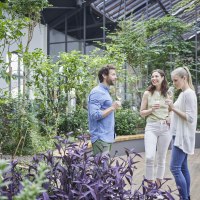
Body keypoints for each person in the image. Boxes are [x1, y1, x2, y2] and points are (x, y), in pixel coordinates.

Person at [166, 67, 197, 200]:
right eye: (173, 81)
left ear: (184, 78)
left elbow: (190, 118)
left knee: (174, 168)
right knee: (183, 168)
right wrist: (170, 114)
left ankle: (184, 198)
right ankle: (187, 197)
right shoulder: (183, 93)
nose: (174, 83)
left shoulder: (189, 94)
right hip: (177, 134)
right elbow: (176, 112)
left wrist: (173, 108)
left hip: (182, 136)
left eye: (176, 80)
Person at [140, 69, 172, 187]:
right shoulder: (147, 93)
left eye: (156, 76)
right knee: (149, 157)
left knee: (161, 158)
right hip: (151, 127)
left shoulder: (168, 93)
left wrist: (169, 117)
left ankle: (157, 187)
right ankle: (149, 187)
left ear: (162, 77)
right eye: (152, 76)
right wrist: (151, 109)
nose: (154, 78)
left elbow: (171, 110)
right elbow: (142, 113)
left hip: (165, 128)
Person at [88, 64, 121, 156]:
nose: (116, 77)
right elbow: (94, 115)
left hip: (107, 137)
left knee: (104, 169)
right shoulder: (97, 92)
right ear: (104, 75)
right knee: (101, 169)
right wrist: (112, 107)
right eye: (113, 74)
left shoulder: (105, 91)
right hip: (100, 138)